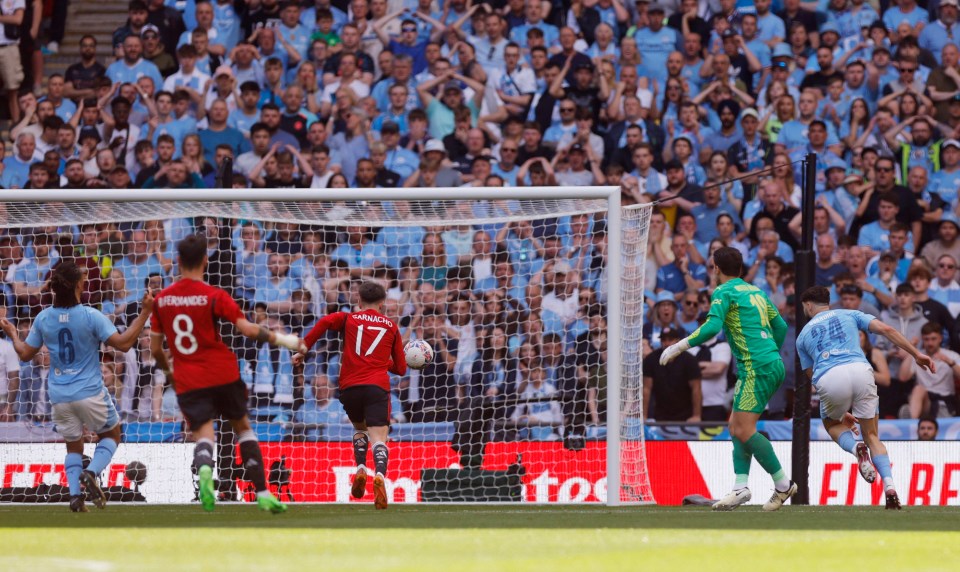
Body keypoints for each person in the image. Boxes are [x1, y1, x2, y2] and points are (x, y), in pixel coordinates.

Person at [149, 234, 301, 513]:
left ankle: (206, 471)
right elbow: (249, 329)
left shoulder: (161, 300)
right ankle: (264, 494)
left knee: (204, 435)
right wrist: (286, 340)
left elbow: (155, 348)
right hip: (222, 372)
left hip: (188, 376)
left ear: (178, 261)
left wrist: (172, 374)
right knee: (243, 429)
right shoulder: (215, 296)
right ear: (206, 261)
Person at [0, 262, 154, 512]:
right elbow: (124, 344)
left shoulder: (43, 318)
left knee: (73, 445)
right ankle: (91, 472)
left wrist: (13, 333)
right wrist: (145, 312)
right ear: (79, 286)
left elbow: (26, 354)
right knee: (113, 435)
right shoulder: (91, 316)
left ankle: (74, 497)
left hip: (59, 395)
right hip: (90, 391)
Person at [660, 247, 795, 512]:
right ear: (742, 269)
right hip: (768, 363)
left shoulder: (724, 291)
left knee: (744, 429)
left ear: (716, 269)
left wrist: (678, 347)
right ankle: (740, 486)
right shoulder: (756, 291)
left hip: (756, 366)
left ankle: (782, 483)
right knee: (736, 426)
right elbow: (780, 326)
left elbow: (711, 327)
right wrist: (770, 352)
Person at [797, 286, 936, 510]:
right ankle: (889, 487)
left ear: (808, 305)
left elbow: (813, 376)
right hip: (861, 370)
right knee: (871, 435)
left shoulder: (802, 336)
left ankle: (855, 449)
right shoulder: (849, 313)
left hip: (829, 375)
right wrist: (916, 353)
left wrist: (841, 411)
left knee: (831, 422)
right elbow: (886, 328)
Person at [293, 281, 406, 510]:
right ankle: (380, 477)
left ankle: (361, 468)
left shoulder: (348, 319)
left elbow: (324, 321)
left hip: (349, 388)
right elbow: (401, 369)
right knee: (379, 437)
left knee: (359, 429)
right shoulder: (391, 327)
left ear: (358, 301)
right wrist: (383, 361)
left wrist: (304, 347)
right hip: (376, 387)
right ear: (383, 304)